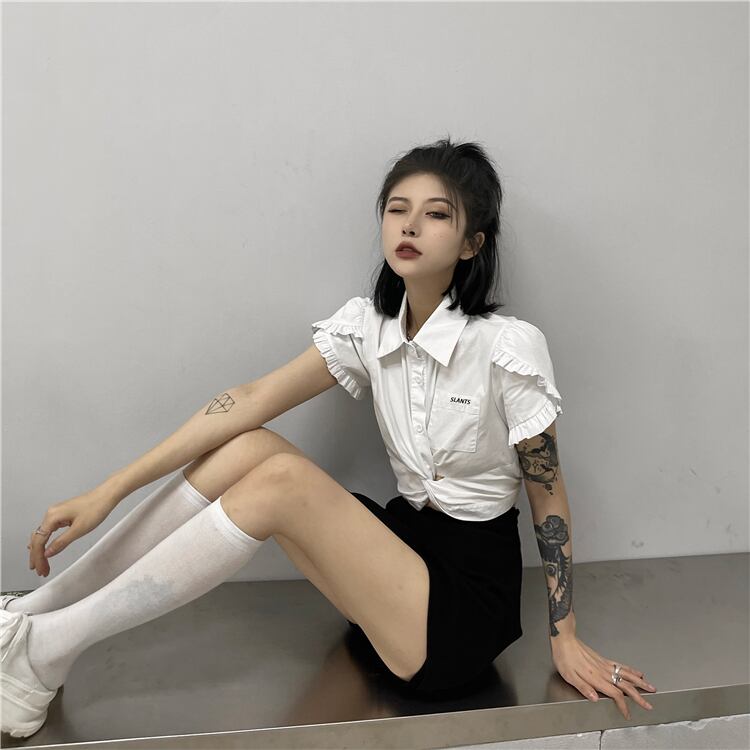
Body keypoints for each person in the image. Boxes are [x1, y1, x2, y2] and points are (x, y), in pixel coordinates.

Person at [0, 137, 657, 738]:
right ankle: (33, 616)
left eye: (436, 214)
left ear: (471, 244)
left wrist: (564, 635)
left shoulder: (507, 348)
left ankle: (47, 653)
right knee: (251, 445)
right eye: (397, 209)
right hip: (402, 560)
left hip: (460, 610)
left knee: (282, 482)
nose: (409, 225)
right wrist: (108, 490)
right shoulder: (369, 327)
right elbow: (247, 401)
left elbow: (548, 496)